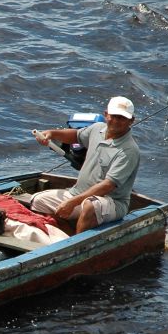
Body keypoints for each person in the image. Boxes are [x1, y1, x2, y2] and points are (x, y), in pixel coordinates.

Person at [31, 95, 140, 233]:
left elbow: (108, 185)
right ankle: (63, 236)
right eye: (114, 116)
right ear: (106, 114)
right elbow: (76, 135)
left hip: (112, 202)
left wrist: (73, 202)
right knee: (38, 201)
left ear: (131, 120)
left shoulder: (129, 150)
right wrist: (52, 133)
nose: (116, 121)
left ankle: (75, 243)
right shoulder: (97, 128)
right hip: (78, 193)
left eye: (122, 118)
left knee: (90, 206)